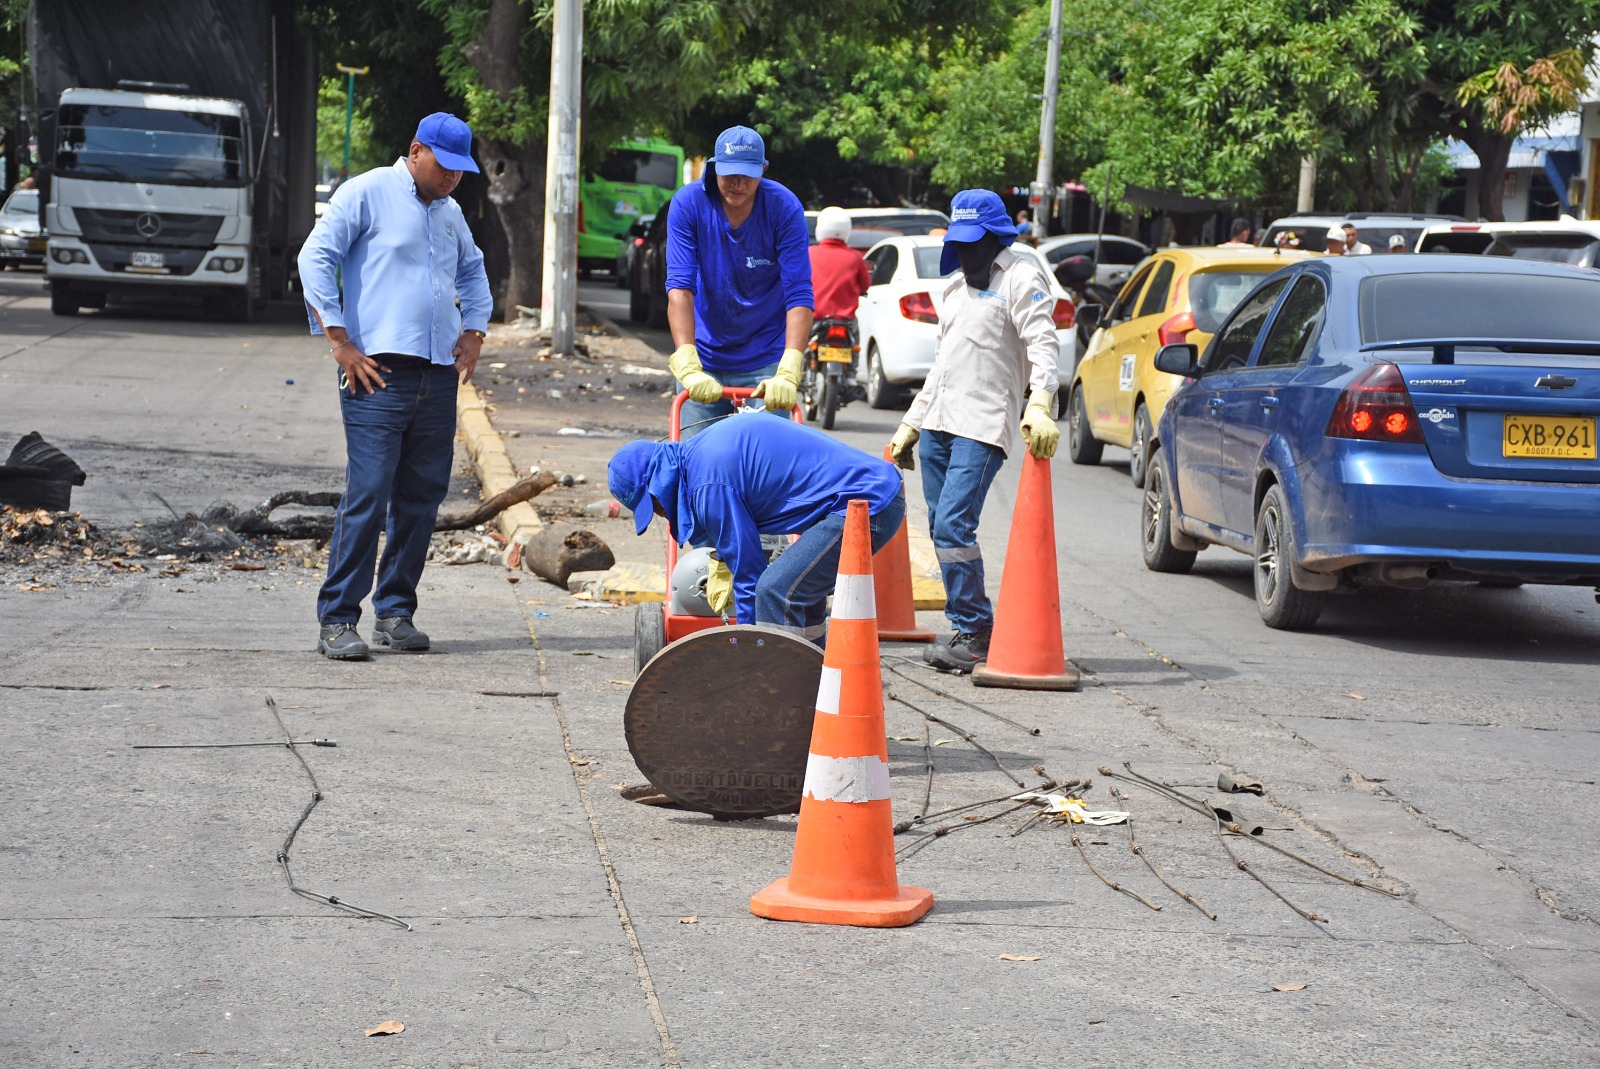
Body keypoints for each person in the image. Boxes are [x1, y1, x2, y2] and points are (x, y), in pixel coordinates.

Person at [297, 113, 492, 660]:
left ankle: (395, 611)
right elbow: (315, 257)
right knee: (369, 492)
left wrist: (474, 330)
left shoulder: (451, 213)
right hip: (376, 372)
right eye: (445, 165)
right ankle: (337, 618)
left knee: (421, 496)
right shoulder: (367, 192)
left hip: (436, 375)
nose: (452, 177)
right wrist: (338, 340)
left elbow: (474, 272)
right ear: (416, 150)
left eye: (461, 170)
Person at [886, 189, 1060, 674]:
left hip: (982, 425)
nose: (966, 251)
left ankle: (977, 630)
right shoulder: (954, 289)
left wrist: (1041, 402)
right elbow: (941, 367)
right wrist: (911, 423)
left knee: (953, 525)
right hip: (939, 422)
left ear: (995, 237)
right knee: (941, 527)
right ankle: (966, 628)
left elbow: (1043, 344)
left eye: (973, 241)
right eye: (959, 242)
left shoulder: (1022, 277)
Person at [607, 415, 905, 644]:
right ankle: (817, 683)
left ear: (658, 482)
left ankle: (781, 693)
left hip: (867, 504)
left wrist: (747, 650)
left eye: (654, 504)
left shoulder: (708, 485)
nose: (660, 513)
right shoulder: (700, 455)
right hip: (869, 495)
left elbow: (750, 577)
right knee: (801, 592)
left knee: (776, 591)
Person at [664, 125, 813, 437]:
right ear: (714, 167)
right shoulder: (689, 204)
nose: (738, 183)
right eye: (729, 173)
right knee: (694, 456)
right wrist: (687, 359)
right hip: (705, 357)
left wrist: (789, 367)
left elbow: (798, 293)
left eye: (747, 174)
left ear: (763, 169)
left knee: (768, 457)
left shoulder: (784, 208)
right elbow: (680, 287)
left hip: (766, 358)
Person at [808, 206, 871, 322]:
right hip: (846, 320)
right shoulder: (855, 257)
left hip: (814, 318)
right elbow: (865, 285)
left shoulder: (809, 253)